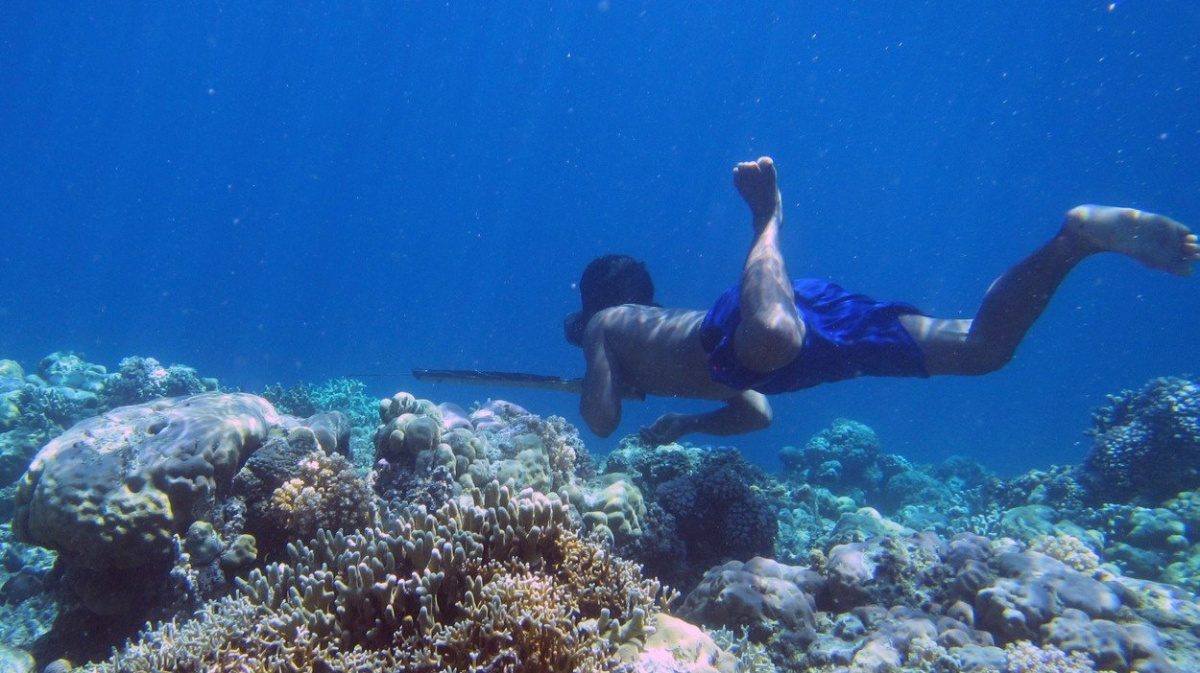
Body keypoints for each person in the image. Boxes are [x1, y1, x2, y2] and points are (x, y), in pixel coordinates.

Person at [563, 157, 1200, 446]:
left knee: (773, 338)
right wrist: (690, 424)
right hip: (785, 338)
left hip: (750, 329)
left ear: (599, 300)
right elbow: (757, 413)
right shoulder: (638, 326)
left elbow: (600, 421)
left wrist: (608, 379)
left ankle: (766, 218)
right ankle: (1075, 242)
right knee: (983, 348)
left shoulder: (607, 325)